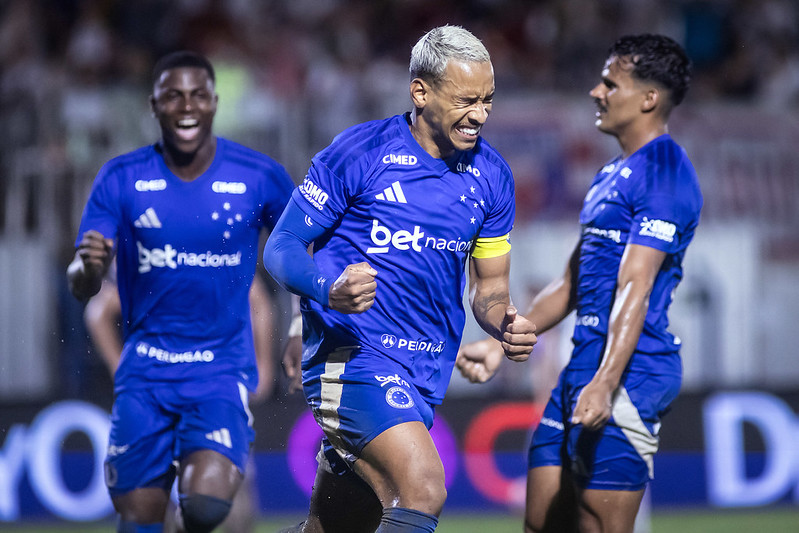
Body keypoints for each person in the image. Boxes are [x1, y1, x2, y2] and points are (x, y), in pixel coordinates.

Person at [264, 25, 537, 533]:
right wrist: (329, 290)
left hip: (424, 375)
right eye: (467, 100)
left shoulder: (493, 178)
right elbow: (280, 249)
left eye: (488, 100)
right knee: (423, 489)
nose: (480, 115)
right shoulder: (359, 153)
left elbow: (491, 289)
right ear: (420, 92)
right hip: (352, 360)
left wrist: (504, 323)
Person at [457, 34, 702, 533]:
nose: (596, 91)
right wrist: (502, 342)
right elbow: (573, 281)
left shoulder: (665, 171)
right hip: (582, 367)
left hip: (631, 372)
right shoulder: (612, 175)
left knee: (599, 524)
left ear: (649, 99)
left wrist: (607, 382)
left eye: (611, 83)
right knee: (541, 522)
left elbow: (636, 284)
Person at [67, 50, 294, 533]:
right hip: (145, 374)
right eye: (173, 95)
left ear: (214, 102)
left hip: (219, 371)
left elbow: (304, 252)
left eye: (197, 95)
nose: (186, 106)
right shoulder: (120, 177)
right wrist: (86, 270)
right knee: (139, 517)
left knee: (207, 506)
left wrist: (299, 326)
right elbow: (85, 285)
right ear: (154, 104)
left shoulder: (259, 176)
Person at [83, 264, 276, 533]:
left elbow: (256, 298)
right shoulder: (152, 245)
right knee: (154, 495)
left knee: (227, 487)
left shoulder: (218, 238)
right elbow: (99, 311)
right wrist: (124, 373)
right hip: (171, 386)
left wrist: (262, 365)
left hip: (215, 383)